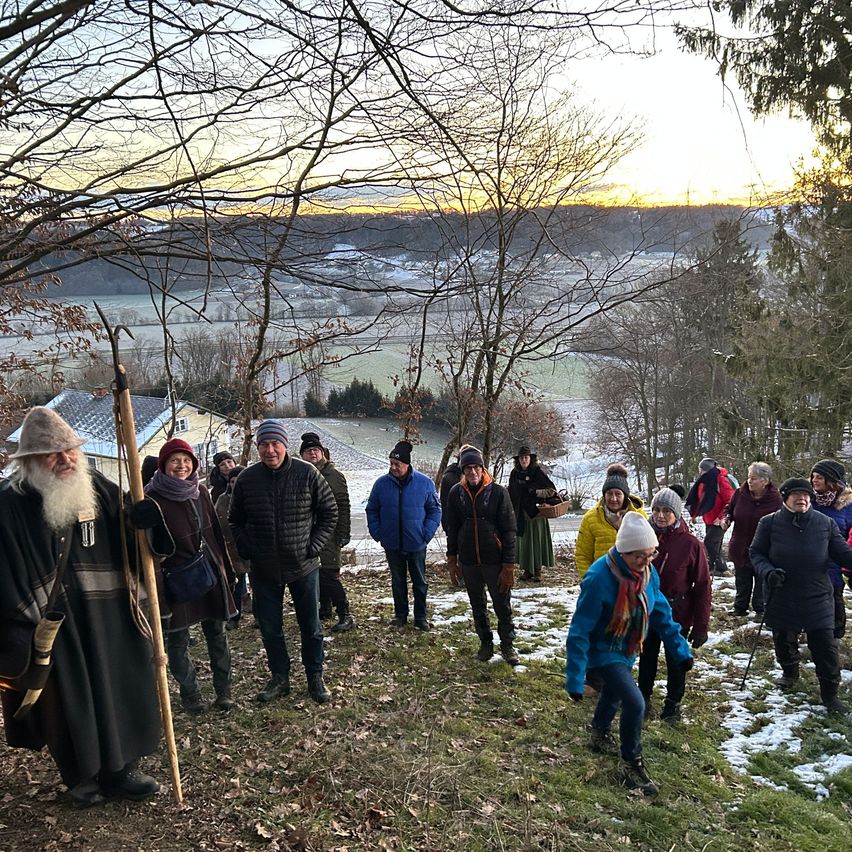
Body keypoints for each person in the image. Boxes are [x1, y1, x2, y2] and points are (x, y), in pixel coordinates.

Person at [0, 407, 161, 808]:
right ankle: (80, 776)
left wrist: (143, 522)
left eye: (70, 450)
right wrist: (19, 621)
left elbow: (134, 543)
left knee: (117, 686)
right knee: (66, 699)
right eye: (54, 453)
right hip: (50, 620)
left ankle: (121, 770)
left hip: (107, 613)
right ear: (29, 462)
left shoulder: (99, 488)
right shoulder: (8, 506)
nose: (66, 459)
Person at [565, 512, 693, 796]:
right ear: (623, 552)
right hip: (603, 650)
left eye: (651, 555)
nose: (646, 561)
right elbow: (579, 630)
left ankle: (598, 731)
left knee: (613, 692)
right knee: (635, 703)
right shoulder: (600, 577)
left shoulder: (647, 573)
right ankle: (631, 762)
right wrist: (575, 677)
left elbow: (660, 611)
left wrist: (680, 649)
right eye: (640, 556)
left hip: (629, 647)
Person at [229, 419, 338, 704]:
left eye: (275, 444)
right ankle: (280, 677)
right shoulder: (247, 479)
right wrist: (247, 547)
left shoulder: (307, 473)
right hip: (263, 569)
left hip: (303, 566)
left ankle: (315, 675)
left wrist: (312, 546)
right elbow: (235, 520)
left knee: (310, 626)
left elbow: (329, 513)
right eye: (264, 445)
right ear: (258, 448)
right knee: (270, 627)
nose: (270, 450)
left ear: (285, 445)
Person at [145, 439, 237, 713]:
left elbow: (216, 535)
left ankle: (224, 692)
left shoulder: (201, 492)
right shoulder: (151, 499)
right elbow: (145, 547)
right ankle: (191, 695)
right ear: (164, 465)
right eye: (174, 460)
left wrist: (227, 571)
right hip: (175, 578)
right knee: (177, 641)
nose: (181, 466)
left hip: (209, 571)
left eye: (186, 460)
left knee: (217, 634)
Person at [750, 478, 852, 712]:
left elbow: (843, 553)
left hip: (817, 595)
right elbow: (756, 553)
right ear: (785, 498)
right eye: (795, 495)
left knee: (825, 646)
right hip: (782, 592)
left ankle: (830, 693)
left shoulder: (824, 523)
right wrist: (768, 572)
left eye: (806, 495)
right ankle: (789, 671)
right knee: (784, 638)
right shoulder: (769, 523)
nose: (802, 499)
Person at [638, 487, 710, 722]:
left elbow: (702, 586)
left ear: (676, 514)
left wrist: (701, 625)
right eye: (656, 510)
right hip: (647, 608)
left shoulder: (691, 544)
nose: (660, 515)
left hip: (677, 610)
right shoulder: (643, 537)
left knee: (675, 658)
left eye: (666, 511)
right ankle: (643, 697)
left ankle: (673, 704)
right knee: (646, 654)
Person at [443, 446, 519, 664]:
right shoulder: (456, 493)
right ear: (463, 471)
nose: (472, 472)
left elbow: (509, 531)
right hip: (469, 561)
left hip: (495, 561)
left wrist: (509, 565)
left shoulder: (498, 493)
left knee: (502, 605)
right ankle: (485, 644)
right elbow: (452, 528)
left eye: (476, 467)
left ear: (482, 468)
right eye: (467, 469)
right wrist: (452, 558)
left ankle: (508, 645)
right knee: (477, 605)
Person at [366, 440, 442, 630]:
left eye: (397, 464)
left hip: (416, 542)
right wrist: (378, 533)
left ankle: (420, 617)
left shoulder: (425, 483)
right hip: (392, 543)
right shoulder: (381, 484)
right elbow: (372, 509)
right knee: (398, 581)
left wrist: (426, 533)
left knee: (420, 582)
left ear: (407, 464)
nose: (393, 467)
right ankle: (400, 616)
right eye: (391, 463)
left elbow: (435, 510)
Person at [299, 432, 354, 633]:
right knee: (315, 572)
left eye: (316, 450)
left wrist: (343, 532)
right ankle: (325, 608)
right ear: (302, 455)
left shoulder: (334, 475)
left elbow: (343, 505)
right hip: (306, 533)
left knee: (329, 574)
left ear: (322, 453)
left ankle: (345, 614)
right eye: (308, 451)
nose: (312, 454)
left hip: (329, 533)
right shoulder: (300, 472)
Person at [721, 462, 782, 617]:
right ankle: (740, 607)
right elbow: (729, 508)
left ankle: (760, 608)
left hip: (764, 547)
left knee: (761, 578)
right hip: (740, 544)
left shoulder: (776, 499)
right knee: (742, 577)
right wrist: (726, 518)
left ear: (765, 481)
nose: (749, 481)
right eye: (749, 477)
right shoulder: (740, 493)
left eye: (754, 478)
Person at [575, 463, 646, 579]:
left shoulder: (639, 517)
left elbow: (649, 552)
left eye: (618, 494)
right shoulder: (591, 518)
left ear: (625, 496)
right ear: (604, 495)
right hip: (602, 581)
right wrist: (590, 580)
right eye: (609, 493)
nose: (613, 499)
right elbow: (582, 555)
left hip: (632, 581)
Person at [810, 459, 852, 638]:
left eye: (819, 477)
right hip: (809, 555)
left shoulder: (848, 504)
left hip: (836, 558)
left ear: (831, 480)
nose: (814, 480)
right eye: (812, 476)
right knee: (809, 595)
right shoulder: (808, 499)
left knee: (833, 595)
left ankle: (835, 631)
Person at [508, 445, 556, 581]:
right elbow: (511, 491)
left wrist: (536, 492)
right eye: (522, 458)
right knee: (524, 543)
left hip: (536, 514)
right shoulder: (514, 473)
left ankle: (537, 571)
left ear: (530, 459)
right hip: (520, 514)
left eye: (526, 457)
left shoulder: (537, 472)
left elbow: (551, 490)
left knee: (536, 542)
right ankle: (527, 570)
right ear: (518, 460)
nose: (524, 460)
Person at [685, 457, 735, 577]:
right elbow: (701, 500)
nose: (699, 472)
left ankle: (722, 569)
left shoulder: (720, 480)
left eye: (700, 469)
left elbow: (730, 500)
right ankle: (714, 568)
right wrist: (695, 514)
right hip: (709, 519)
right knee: (714, 543)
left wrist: (721, 517)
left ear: (706, 470)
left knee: (710, 542)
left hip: (719, 520)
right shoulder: (704, 481)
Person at [215, 465, 251, 629]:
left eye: (238, 480)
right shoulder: (223, 500)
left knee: (258, 584)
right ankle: (235, 617)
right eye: (232, 481)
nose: (235, 484)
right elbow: (217, 521)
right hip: (233, 548)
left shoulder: (253, 495)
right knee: (237, 585)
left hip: (254, 547)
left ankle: (259, 615)